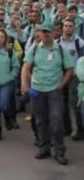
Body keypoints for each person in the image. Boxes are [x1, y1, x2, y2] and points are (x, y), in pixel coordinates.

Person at [21, 21, 74, 165]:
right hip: (37, 90)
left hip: (54, 91)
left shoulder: (60, 50)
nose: (44, 34)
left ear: (53, 33)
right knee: (40, 121)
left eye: (47, 32)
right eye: (42, 32)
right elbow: (26, 67)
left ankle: (59, 150)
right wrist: (24, 84)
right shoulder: (35, 49)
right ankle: (44, 148)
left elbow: (70, 69)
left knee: (56, 121)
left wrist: (62, 84)